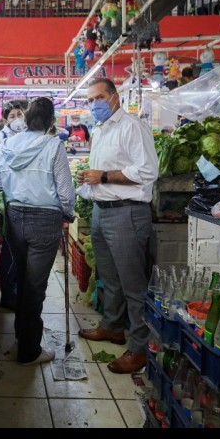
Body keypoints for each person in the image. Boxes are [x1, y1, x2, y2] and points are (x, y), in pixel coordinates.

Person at [76, 77, 159, 374]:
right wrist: (90, 179)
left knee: (133, 284)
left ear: (115, 97)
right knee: (109, 278)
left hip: (127, 213)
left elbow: (147, 171)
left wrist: (104, 176)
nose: (94, 104)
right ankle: (112, 326)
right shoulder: (100, 130)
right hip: (102, 211)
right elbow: (104, 171)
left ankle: (139, 348)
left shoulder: (132, 127)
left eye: (99, 98)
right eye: (90, 100)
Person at [0, 97, 76, 365]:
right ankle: (29, 350)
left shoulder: (8, 144)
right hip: (44, 220)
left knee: (22, 280)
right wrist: (68, 213)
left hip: (14, 217)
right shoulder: (54, 145)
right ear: (51, 122)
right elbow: (65, 191)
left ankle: (22, 337)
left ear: (25, 120)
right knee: (34, 287)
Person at [0, 99, 28, 310]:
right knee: (11, 248)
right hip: (8, 198)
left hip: (26, 198)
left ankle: (19, 291)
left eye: (20, 114)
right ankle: (9, 295)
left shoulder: (29, 135)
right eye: (12, 116)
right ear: (5, 120)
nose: (17, 119)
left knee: (22, 249)